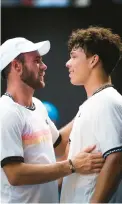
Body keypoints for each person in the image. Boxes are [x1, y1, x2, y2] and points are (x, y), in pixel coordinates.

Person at [0, 37, 104, 203]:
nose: (44, 66)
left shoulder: (38, 106)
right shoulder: (6, 112)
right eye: (37, 61)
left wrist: (90, 105)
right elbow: (15, 174)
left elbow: (59, 145)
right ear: (16, 66)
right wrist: (71, 165)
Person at [60, 26, 122, 203]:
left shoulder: (107, 102)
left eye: (73, 56)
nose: (67, 63)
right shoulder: (94, 103)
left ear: (93, 60)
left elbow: (116, 158)